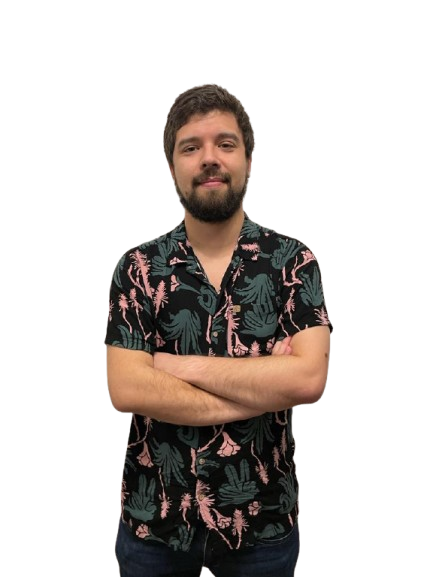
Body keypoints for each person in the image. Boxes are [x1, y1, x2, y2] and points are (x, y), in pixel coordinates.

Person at [105, 83, 332, 577]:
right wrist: (262, 386)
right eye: (191, 147)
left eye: (225, 144)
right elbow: (125, 389)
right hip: (154, 522)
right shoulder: (137, 267)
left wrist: (174, 367)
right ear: (171, 166)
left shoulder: (293, 262)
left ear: (249, 159)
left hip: (263, 524)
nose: (209, 158)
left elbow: (308, 380)